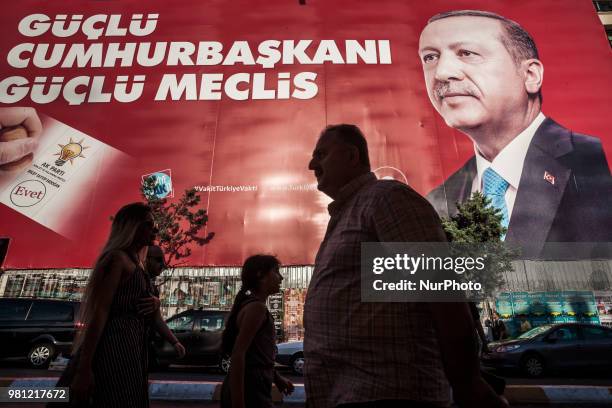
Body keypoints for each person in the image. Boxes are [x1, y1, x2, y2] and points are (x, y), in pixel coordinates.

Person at [304, 124, 508, 408]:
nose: (312, 164)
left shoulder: (386, 198)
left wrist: (467, 383)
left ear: (351, 156)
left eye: (321, 154)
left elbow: (441, 290)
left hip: (389, 392)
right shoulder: (347, 214)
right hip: (349, 394)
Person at [418, 10, 612, 258]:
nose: (442, 73)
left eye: (467, 53)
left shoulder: (593, 158)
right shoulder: (437, 200)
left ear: (530, 75)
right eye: (430, 57)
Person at [51, 203, 184, 408]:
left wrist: (156, 306)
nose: (156, 229)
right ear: (133, 226)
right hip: (114, 348)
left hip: (133, 350)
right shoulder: (117, 259)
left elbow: (145, 307)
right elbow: (100, 312)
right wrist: (85, 368)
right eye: (149, 224)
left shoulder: (137, 264)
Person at [220, 255, 294, 408]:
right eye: (276, 271)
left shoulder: (256, 306)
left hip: (257, 386)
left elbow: (257, 355)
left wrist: (277, 378)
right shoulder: (257, 308)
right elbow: (238, 355)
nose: (281, 277)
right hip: (250, 389)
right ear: (260, 275)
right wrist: (238, 403)